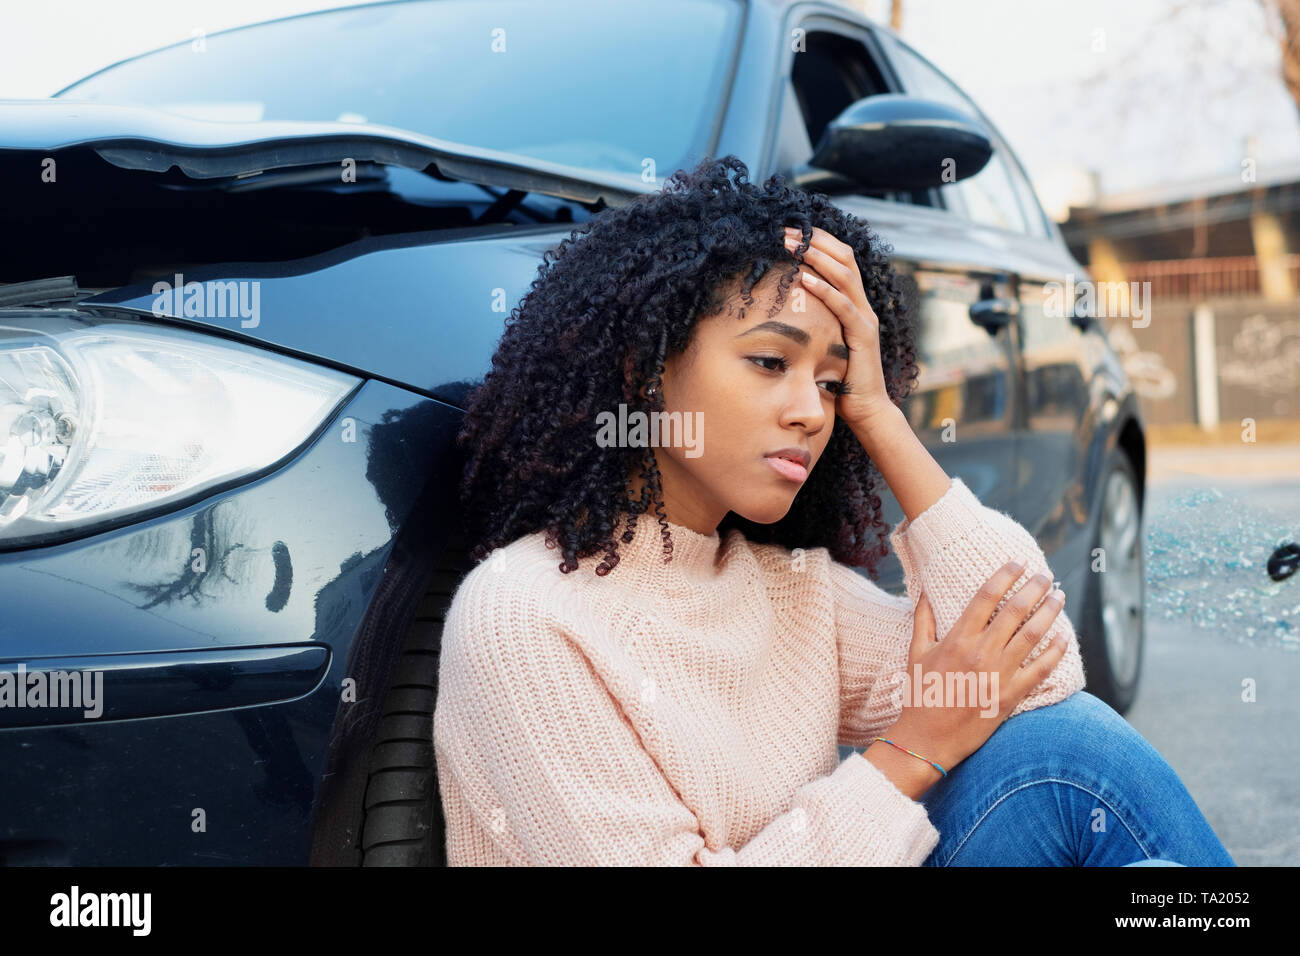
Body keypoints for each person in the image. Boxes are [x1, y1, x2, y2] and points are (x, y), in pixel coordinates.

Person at [432, 154, 1235, 866]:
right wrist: (915, 747)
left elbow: (1044, 670)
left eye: (830, 382)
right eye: (770, 361)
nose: (812, 412)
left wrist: (883, 415)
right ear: (647, 372)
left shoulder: (790, 590)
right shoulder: (525, 617)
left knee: (1064, 751)